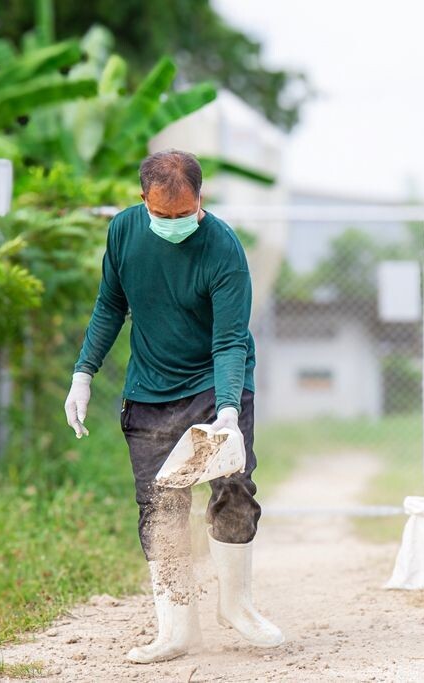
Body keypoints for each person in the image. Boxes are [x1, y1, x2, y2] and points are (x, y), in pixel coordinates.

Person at [63, 149, 283, 664]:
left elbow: (229, 340)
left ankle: (237, 606)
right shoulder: (123, 233)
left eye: (185, 214)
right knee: (160, 506)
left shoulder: (223, 248)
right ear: (143, 201)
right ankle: (175, 627)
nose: (175, 224)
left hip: (215, 381)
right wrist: (82, 373)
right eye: (163, 216)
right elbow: (110, 306)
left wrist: (228, 409)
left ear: (200, 199)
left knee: (232, 488)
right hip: (150, 390)